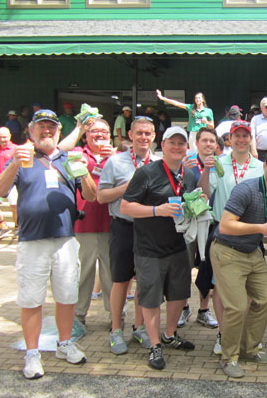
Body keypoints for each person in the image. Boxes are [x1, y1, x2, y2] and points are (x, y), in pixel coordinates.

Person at [0, 109, 96, 380]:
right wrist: (14, 163)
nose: (47, 131)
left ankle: (64, 344)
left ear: (59, 132)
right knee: (31, 300)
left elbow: (91, 196)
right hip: (32, 240)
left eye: (51, 127)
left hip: (64, 239)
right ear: (31, 132)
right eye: (41, 127)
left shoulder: (67, 158)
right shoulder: (23, 157)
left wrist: (82, 171)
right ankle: (33, 353)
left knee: (67, 296)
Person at [211, 149, 267, 378]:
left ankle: (250, 348)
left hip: (252, 253)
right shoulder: (246, 189)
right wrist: (261, 228)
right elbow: (226, 226)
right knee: (237, 307)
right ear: (265, 167)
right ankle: (229, 357)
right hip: (227, 251)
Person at [121, 126, 197, 370]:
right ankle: (155, 345)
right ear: (162, 145)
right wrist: (157, 210)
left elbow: (190, 205)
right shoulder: (146, 173)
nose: (177, 147)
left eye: (181, 143)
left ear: (187, 148)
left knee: (179, 293)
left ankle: (170, 334)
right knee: (151, 297)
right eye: (172, 142)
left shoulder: (190, 174)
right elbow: (125, 207)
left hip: (179, 246)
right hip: (149, 248)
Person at [203, 120, 265, 355]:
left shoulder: (260, 167)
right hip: (224, 232)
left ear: (251, 139)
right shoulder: (218, 163)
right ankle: (223, 332)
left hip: (250, 232)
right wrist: (206, 169)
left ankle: (241, 334)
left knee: (247, 288)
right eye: (236, 136)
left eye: (245, 136)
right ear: (229, 139)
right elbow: (207, 193)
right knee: (221, 287)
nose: (241, 140)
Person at [98, 117, 156, 356]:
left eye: (148, 133)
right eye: (139, 133)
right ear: (130, 135)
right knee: (121, 281)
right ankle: (115, 330)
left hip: (150, 229)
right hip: (123, 228)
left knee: (144, 281)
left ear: (154, 137)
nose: (144, 137)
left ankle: (139, 327)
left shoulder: (159, 163)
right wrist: (129, 186)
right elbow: (101, 197)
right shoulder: (115, 162)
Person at [71, 118, 116, 330]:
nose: (99, 134)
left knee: (111, 275)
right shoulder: (77, 154)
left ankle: (115, 316)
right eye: (94, 131)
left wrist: (115, 158)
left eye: (104, 131)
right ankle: (78, 316)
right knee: (83, 274)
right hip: (84, 225)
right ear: (85, 135)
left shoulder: (119, 156)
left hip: (112, 225)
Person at [176, 127, 219, 329]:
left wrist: (209, 169)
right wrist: (182, 169)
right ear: (197, 143)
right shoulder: (187, 163)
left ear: (216, 145)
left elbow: (208, 196)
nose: (208, 144)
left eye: (212, 141)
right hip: (188, 225)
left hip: (210, 224)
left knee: (206, 269)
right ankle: (184, 308)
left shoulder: (220, 165)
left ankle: (204, 309)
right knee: (184, 266)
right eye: (205, 141)